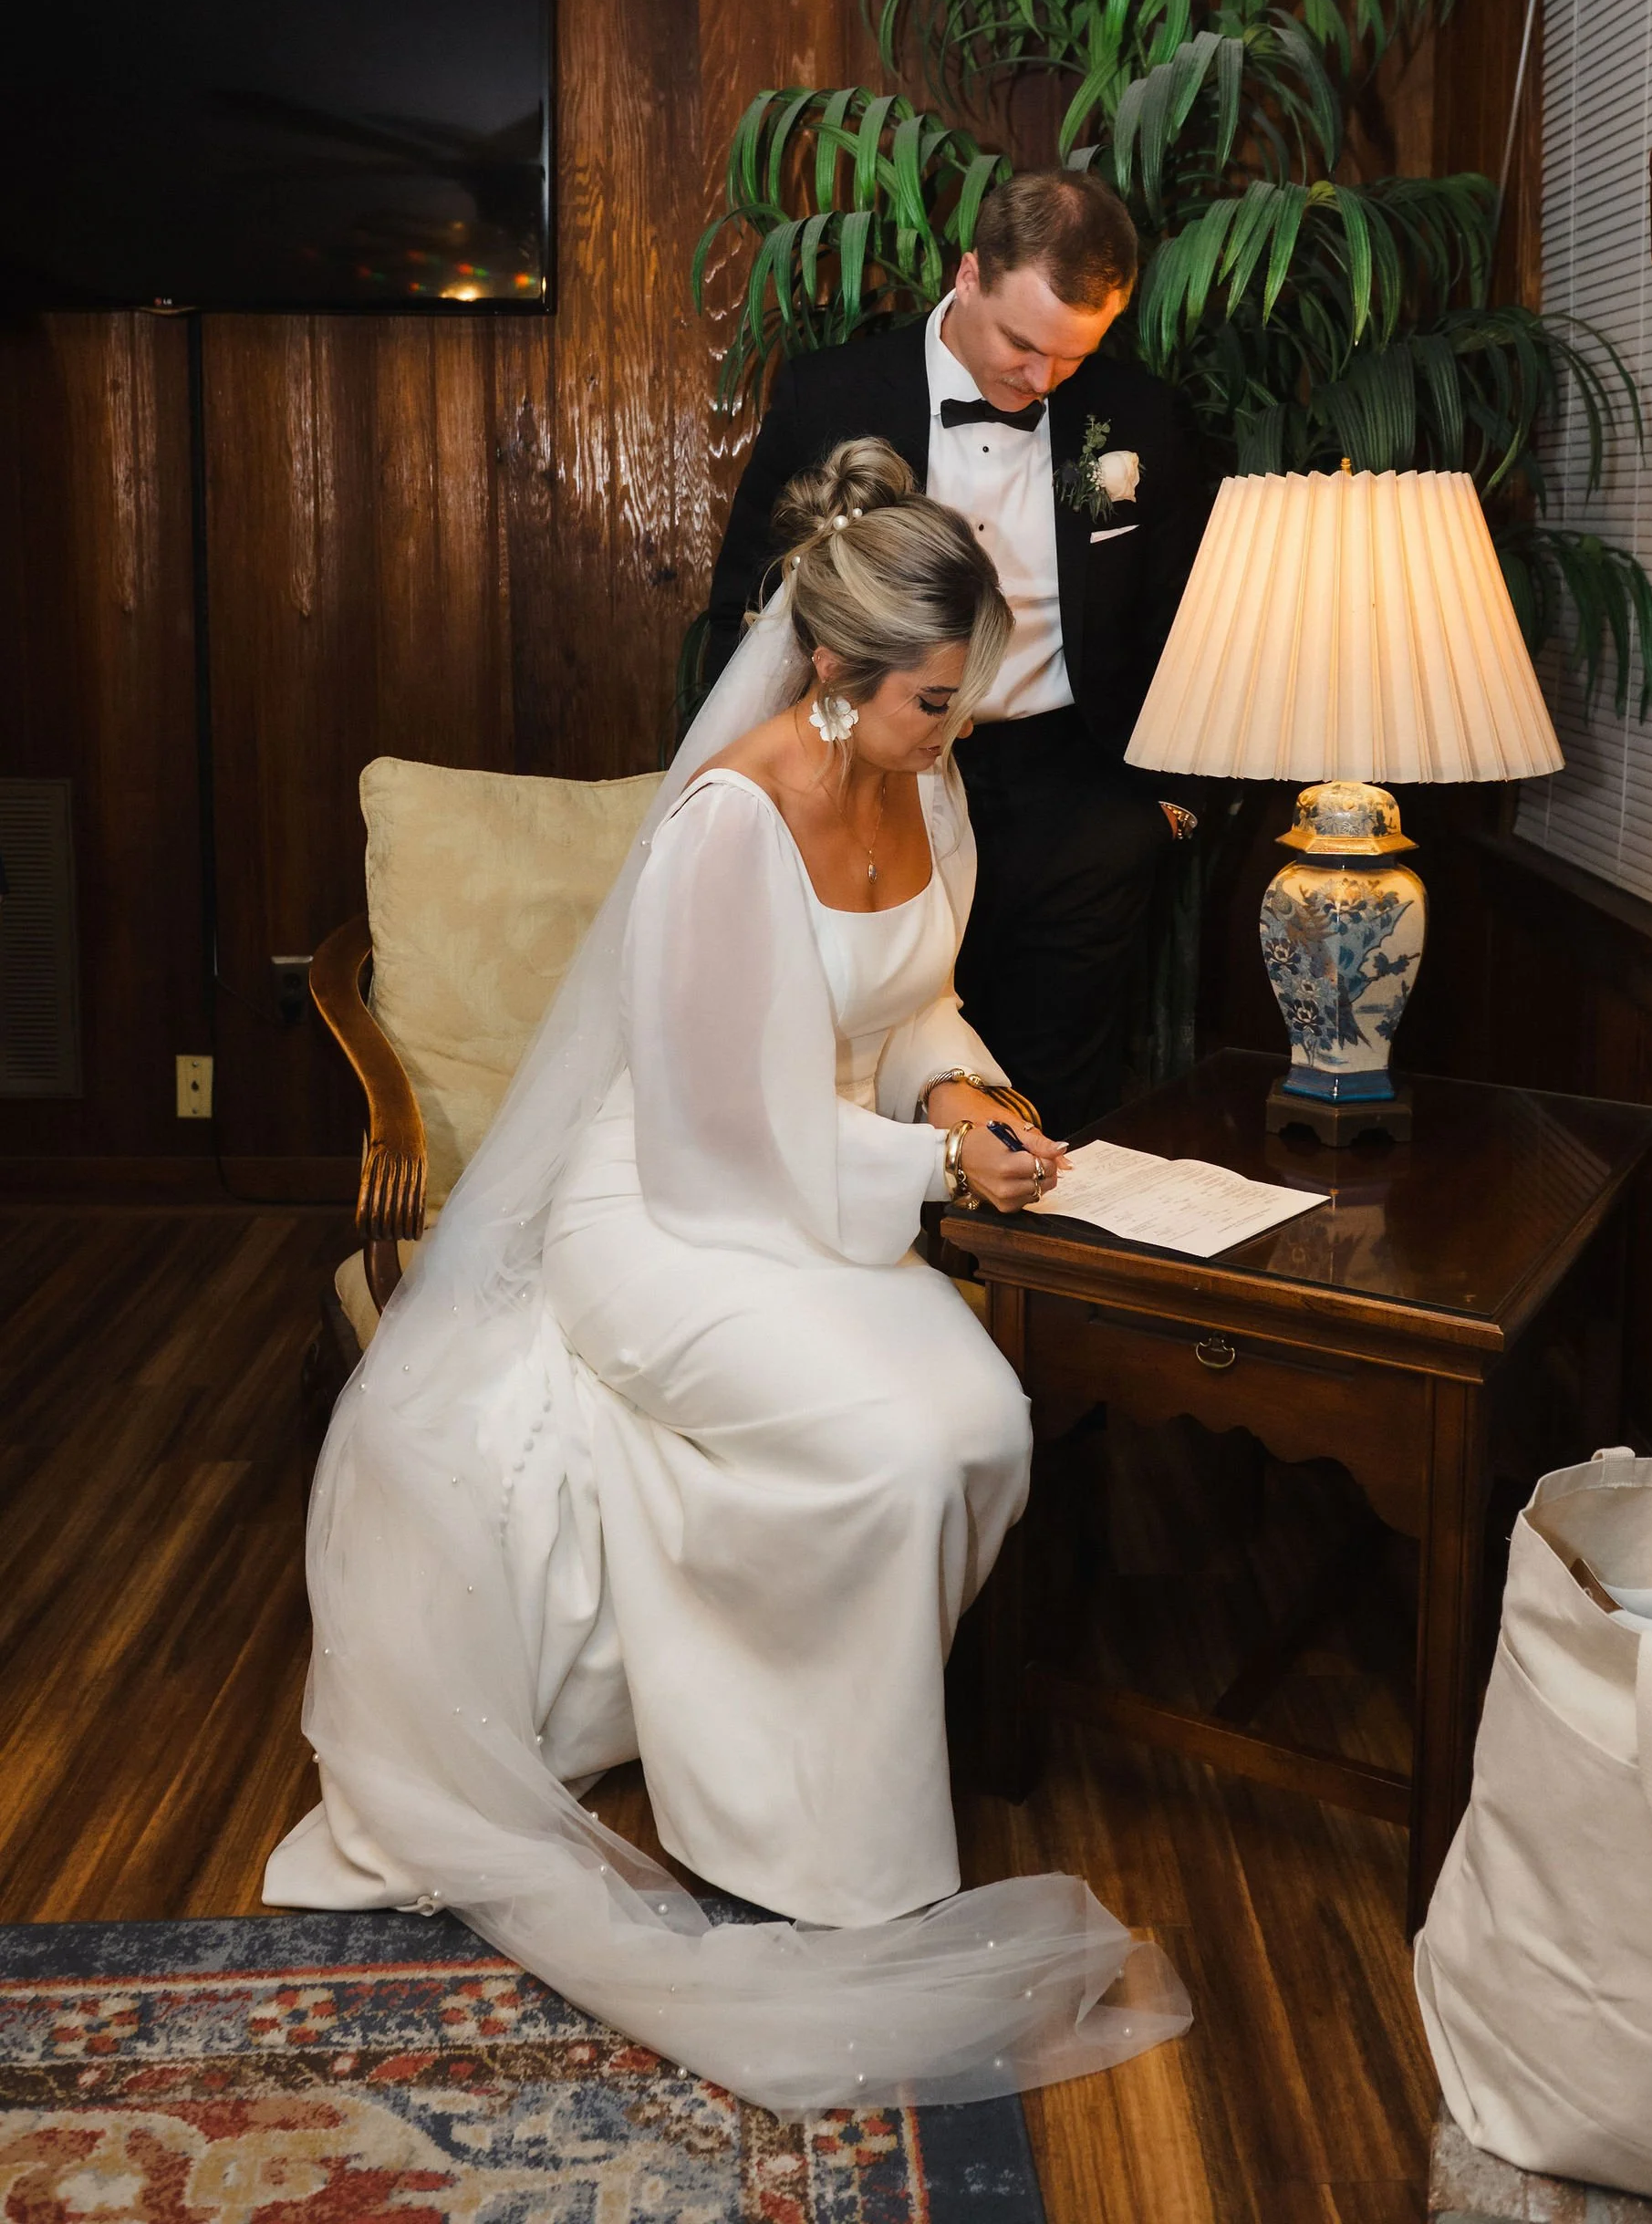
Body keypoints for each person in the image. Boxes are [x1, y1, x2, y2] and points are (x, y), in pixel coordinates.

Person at [264, 437, 1190, 2115]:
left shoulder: (922, 776)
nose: (952, 730)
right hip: (672, 1217)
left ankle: (780, 1729)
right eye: (929, 702)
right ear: (831, 676)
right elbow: (714, 1140)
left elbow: (905, 1001)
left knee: (981, 1422)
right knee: (895, 1447)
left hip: (822, 1190)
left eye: (961, 702)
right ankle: (818, 1860)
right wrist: (933, 1163)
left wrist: (961, 1090)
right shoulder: (724, 828)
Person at [707, 170, 1209, 1137]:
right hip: (874, 782)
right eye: (1021, 344)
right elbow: (747, 601)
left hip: (1074, 800)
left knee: (1056, 1104)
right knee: (878, 1061)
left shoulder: (1137, 417)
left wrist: (1166, 810)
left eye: (1071, 356)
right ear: (970, 273)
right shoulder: (833, 395)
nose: (1039, 381)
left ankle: (1033, 1287)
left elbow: (1186, 618)